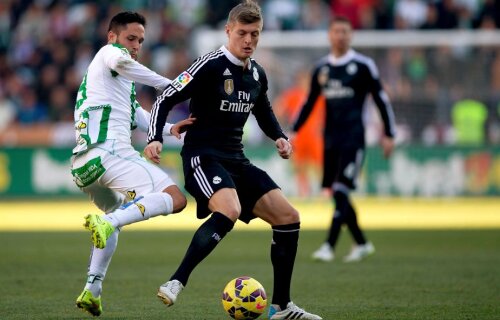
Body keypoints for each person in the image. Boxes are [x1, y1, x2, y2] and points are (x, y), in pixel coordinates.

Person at [144, 1, 322, 319]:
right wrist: (155, 136)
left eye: (255, 34)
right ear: (228, 31)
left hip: (236, 160)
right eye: (242, 33)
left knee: (288, 217)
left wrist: (279, 136)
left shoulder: (256, 73)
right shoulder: (209, 65)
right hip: (202, 157)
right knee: (230, 209)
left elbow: (263, 109)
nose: (249, 40)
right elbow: (165, 97)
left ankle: (282, 307)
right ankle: (176, 281)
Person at [70, 11, 193, 317]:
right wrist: (172, 85)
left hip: (84, 167)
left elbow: (139, 117)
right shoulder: (109, 54)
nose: (136, 45)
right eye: (131, 38)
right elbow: (123, 62)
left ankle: (92, 289)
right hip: (109, 152)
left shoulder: (115, 82)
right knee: (175, 199)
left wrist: (170, 129)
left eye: (140, 40)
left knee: (114, 219)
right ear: (112, 36)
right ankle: (110, 222)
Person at [292, 16, 396, 263]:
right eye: (337, 31)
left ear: (351, 35)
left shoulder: (363, 65)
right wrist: (294, 131)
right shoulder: (321, 69)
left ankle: (329, 246)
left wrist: (389, 133)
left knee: (340, 190)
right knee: (337, 193)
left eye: (345, 31)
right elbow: (309, 103)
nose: (341, 36)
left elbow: (381, 99)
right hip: (330, 140)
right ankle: (361, 243)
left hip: (354, 138)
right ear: (330, 35)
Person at [273, 68, 324, 197]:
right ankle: (304, 192)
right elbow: (278, 108)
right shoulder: (293, 95)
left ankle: (324, 191)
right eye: (302, 79)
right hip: (298, 136)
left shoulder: (317, 95)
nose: (304, 82)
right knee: (300, 166)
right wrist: (282, 125)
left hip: (313, 136)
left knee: (320, 165)